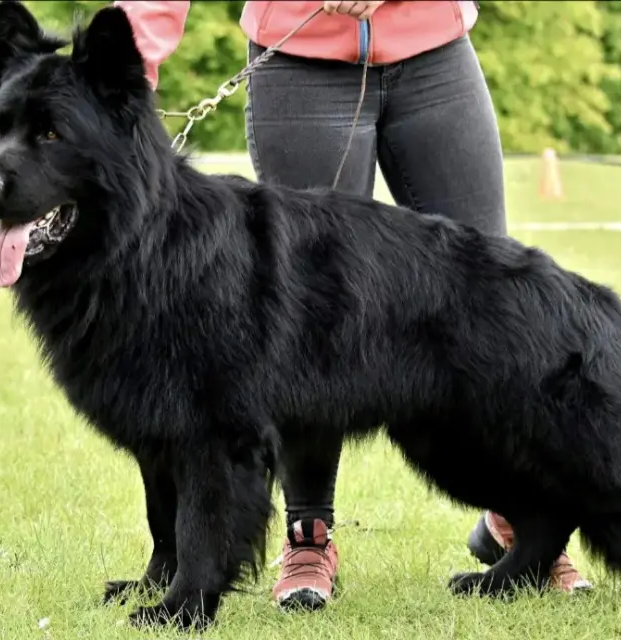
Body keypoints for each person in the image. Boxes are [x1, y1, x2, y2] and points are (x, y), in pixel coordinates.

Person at [115, 0, 592, 612]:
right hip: (299, 57)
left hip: (434, 53)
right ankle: (307, 533)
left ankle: (519, 519)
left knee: (491, 308)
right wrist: (124, 72)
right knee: (308, 324)